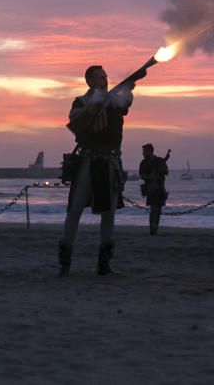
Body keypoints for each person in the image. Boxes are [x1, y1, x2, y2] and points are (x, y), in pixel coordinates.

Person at [58, 64, 143, 276]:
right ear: (90, 81)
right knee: (75, 210)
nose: (104, 80)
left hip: (109, 163)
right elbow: (76, 119)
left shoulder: (115, 100)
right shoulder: (81, 102)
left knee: (108, 214)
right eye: (99, 77)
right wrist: (95, 104)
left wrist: (129, 87)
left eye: (105, 76)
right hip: (88, 162)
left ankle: (104, 265)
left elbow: (126, 102)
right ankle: (65, 263)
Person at [138, 143, 170, 235]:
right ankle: (152, 228)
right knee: (154, 208)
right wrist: (150, 177)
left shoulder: (160, 160)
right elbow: (141, 175)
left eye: (145, 151)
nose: (143, 153)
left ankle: (155, 227)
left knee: (159, 209)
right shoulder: (143, 163)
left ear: (150, 151)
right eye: (143, 151)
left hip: (160, 187)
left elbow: (166, 172)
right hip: (150, 188)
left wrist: (162, 169)